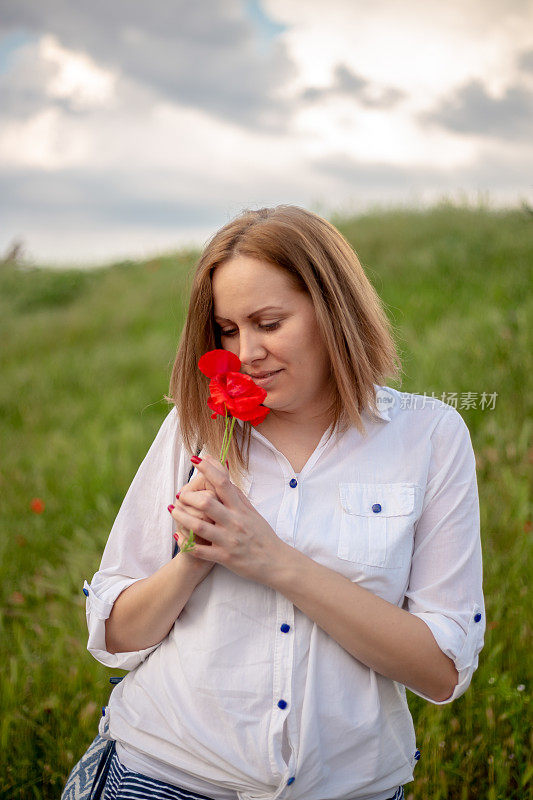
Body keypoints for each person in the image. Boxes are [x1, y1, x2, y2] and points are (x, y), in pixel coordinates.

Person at [80, 205, 485, 800]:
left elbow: (442, 670)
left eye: (269, 323)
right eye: (227, 330)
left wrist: (272, 559)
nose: (246, 353)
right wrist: (194, 557)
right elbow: (114, 633)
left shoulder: (429, 436)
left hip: (349, 787)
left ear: (333, 310)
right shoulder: (196, 429)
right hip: (162, 774)